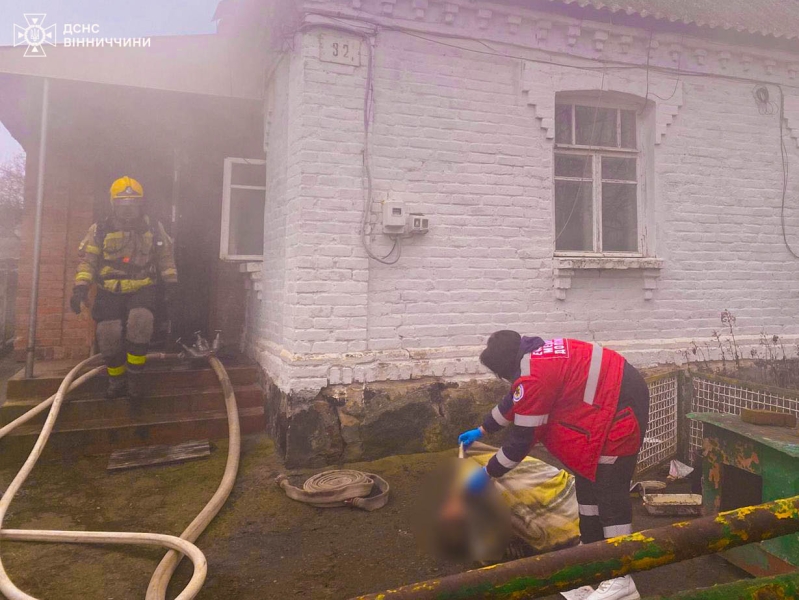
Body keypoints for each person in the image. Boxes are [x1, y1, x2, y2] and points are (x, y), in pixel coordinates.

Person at [458, 331, 649, 600]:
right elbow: (515, 399)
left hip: (619, 411)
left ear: (505, 369)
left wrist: (488, 472)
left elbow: (521, 441)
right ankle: (592, 559)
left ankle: (620, 577)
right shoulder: (532, 356)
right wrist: (482, 429)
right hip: (603, 406)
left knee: (609, 493)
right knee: (588, 490)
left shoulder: (533, 376)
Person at [70, 176, 178, 400]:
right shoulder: (100, 229)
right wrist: (80, 287)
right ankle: (116, 379)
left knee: (141, 322)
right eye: (122, 204)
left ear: (140, 204)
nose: (128, 210)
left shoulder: (153, 228)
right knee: (107, 334)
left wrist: (171, 284)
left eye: (132, 204)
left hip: (142, 287)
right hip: (110, 289)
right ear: (113, 204)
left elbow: (165, 258)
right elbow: (88, 261)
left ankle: (135, 378)